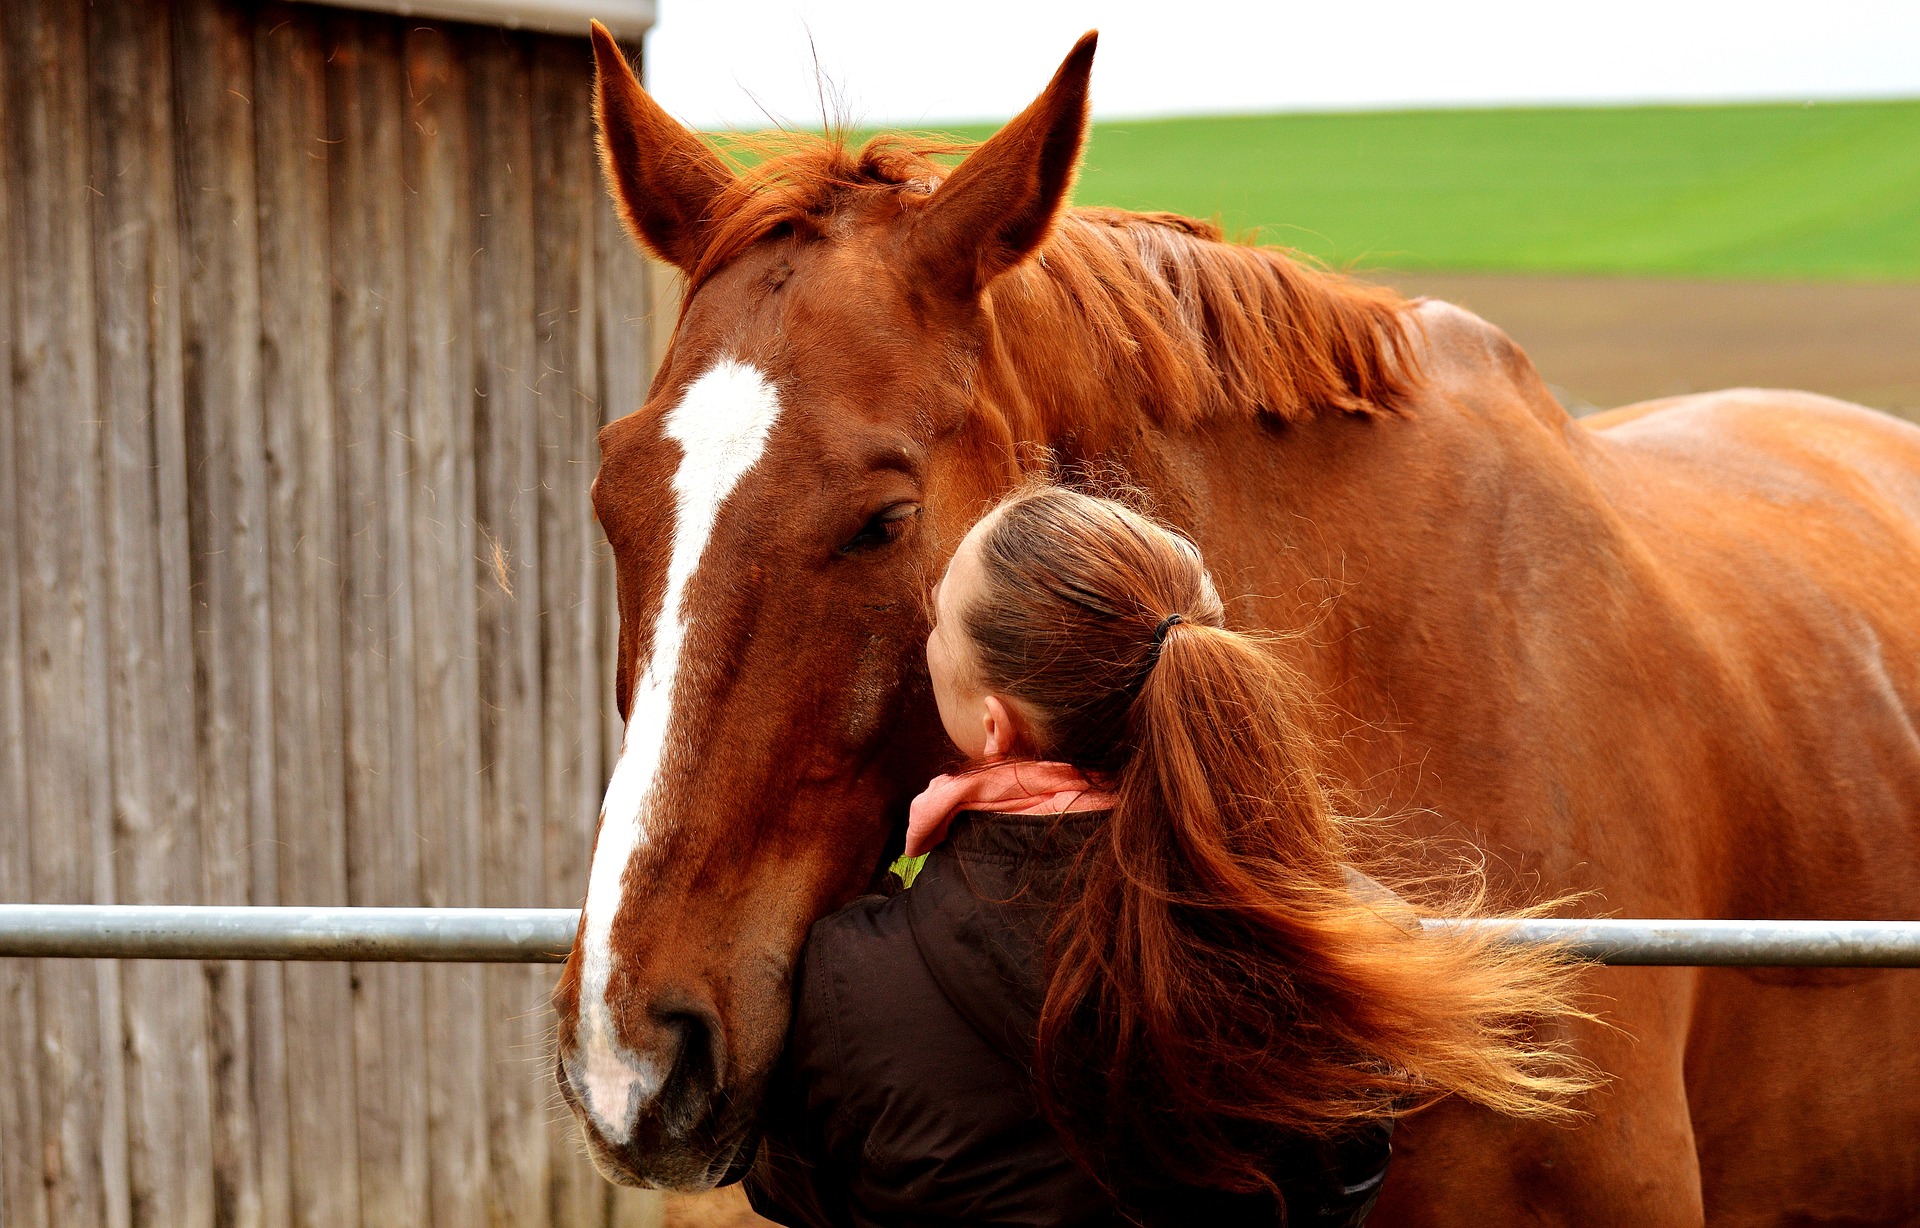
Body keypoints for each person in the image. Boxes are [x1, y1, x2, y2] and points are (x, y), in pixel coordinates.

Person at [746, 485, 1594, 1228]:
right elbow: (1347, 1182)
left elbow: (796, 1190)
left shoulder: (848, 980)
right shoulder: (1346, 948)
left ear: (994, 727)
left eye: (937, 625)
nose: (927, 639)